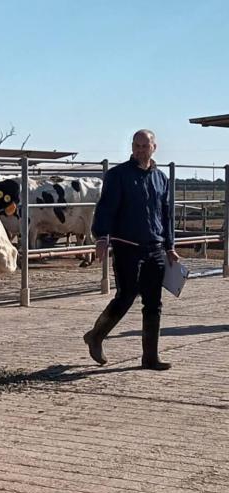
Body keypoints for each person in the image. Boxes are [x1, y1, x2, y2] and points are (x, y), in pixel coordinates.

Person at [83, 129, 180, 370]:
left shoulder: (161, 179)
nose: (139, 150)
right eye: (136, 146)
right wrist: (102, 237)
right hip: (127, 245)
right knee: (126, 294)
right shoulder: (118, 176)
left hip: (155, 246)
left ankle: (150, 357)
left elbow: (166, 214)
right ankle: (96, 335)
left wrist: (170, 245)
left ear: (153, 148)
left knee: (154, 302)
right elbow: (106, 207)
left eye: (144, 146)